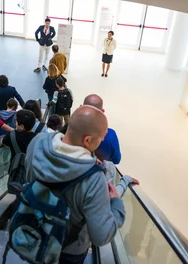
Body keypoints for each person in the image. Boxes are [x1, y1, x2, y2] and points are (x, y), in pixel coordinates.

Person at [21, 106, 126, 263]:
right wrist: (116, 204)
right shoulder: (93, 178)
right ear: (87, 140)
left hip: (31, 231)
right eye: (102, 137)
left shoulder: (37, 142)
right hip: (68, 251)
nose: (103, 140)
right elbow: (101, 236)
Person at [83, 94, 121, 165]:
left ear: (81, 108)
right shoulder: (110, 135)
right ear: (102, 111)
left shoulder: (72, 130)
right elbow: (116, 160)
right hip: (100, 170)